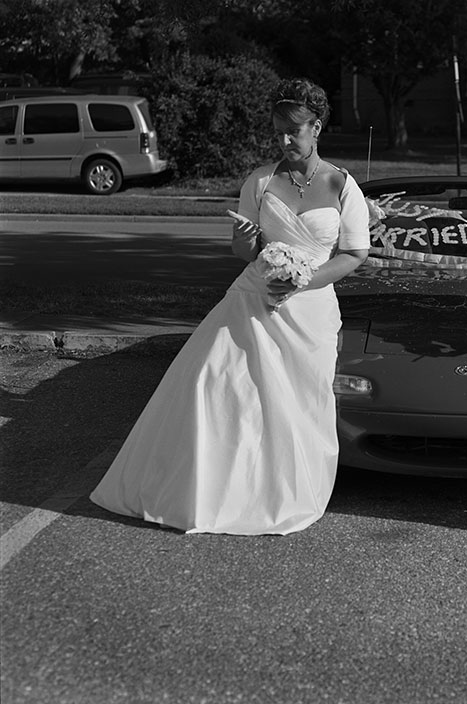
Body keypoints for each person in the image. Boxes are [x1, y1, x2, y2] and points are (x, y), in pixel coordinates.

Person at [90, 78, 370, 534]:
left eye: (293, 131)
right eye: (277, 130)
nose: (283, 141)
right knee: (214, 384)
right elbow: (244, 251)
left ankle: (282, 492)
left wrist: (303, 282)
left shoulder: (342, 184)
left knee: (296, 405)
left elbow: (354, 254)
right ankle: (207, 491)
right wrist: (245, 244)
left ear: (316, 127)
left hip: (309, 312)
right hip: (251, 301)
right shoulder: (260, 181)